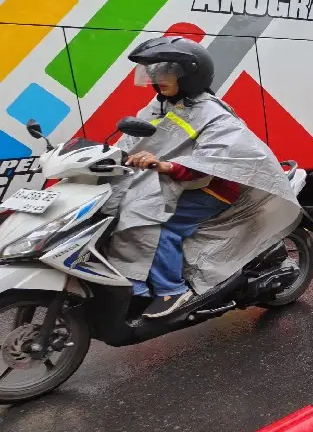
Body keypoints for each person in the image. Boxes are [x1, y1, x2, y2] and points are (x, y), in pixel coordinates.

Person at [105, 36, 300, 319]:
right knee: (119, 207)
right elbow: (129, 141)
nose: (156, 78)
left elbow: (213, 161)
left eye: (164, 72)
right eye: (154, 72)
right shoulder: (160, 106)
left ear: (189, 76)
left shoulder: (213, 114)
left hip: (216, 188)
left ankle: (171, 290)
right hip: (175, 182)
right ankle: (135, 282)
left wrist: (166, 166)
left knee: (159, 225)